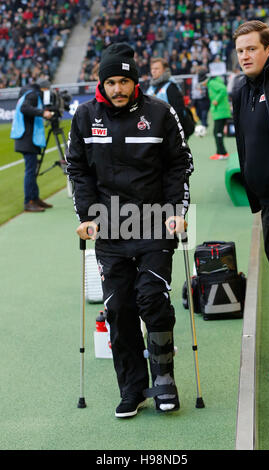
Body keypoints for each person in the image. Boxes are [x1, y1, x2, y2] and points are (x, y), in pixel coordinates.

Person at [65, 43, 193, 418]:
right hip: (109, 230)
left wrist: (177, 211)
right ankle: (133, 389)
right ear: (100, 83)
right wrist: (86, 217)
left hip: (155, 222)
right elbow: (78, 169)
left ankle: (165, 380)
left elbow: (179, 165)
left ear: (135, 81)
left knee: (151, 299)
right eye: (111, 82)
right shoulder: (85, 116)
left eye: (124, 81)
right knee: (119, 309)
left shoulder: (159, 113)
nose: (117, 89)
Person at [232, 20, 269, 381]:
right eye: (240, 50)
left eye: (251, 48)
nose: (245, 56)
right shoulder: (241, 90)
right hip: (268, 204)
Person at [10, 78, 54, 212]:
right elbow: (25, 108)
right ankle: (29, 201)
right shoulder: (33, 94)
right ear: (44, 88)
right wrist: (43, 113)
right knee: (30, 171)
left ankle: (35, 198)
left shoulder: (29, 93)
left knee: (32, 169)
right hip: (27, 138)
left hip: (27, 137)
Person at [146, 57, 194, 139]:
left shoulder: (171, 87)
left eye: (157, 68)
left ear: (165, 70)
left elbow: (178, 113)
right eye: (152, 68)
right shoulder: (151, 87)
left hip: (170, 134)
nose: (153, 71)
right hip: (155, 132)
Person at [198, 70, 232, 160]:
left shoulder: (212, 83)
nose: (202, 85)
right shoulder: (211, 83)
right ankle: (220, 152)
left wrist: (216, 100)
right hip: (220, 112)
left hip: (220, 112)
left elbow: (223, 89)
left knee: (217, 132)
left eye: (202, 83)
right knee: (217, 132)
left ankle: (222, 153)